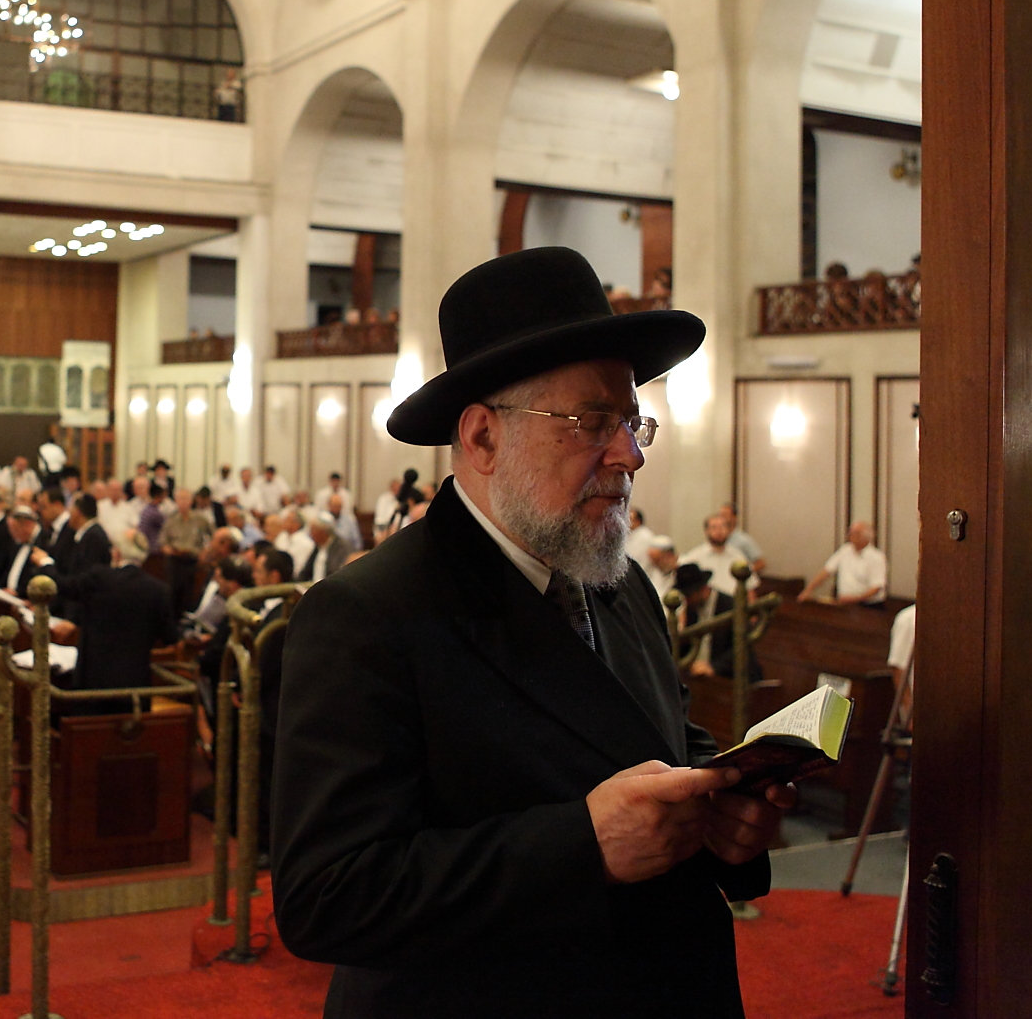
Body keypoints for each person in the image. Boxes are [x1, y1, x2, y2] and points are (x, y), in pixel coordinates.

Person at [273, 247, 790, 1015]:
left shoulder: (622, 583)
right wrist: (582, 847)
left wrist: (723, 810)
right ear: (482, 437)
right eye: (592, 422)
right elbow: (329, 895)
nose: (630, 454)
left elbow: (656, 741)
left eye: (632, 420)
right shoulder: (370, 613)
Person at [64, 528, 179, 711]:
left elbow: (63, 588)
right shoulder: (159, 590)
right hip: (134, 688)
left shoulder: (99, 578)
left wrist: (45, 563)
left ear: (116, 553)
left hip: (93, 685)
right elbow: (170, 637)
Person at [671, 562, 759, 681]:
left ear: (702, 589)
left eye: (689, 594)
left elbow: (742, 647)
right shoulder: (692, 607)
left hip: (730, 677)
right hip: (699, 676)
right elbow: (688, 641)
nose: (687, 599)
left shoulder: (730, 606)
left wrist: (714, 667)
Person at [802, 520, 889, 605]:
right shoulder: (844, 550)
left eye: (855, 533)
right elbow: (826, 571)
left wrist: (855, 599)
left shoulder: (876, 557)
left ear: (866, 537)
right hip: (845, 603)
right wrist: (808, 590)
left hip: (868, 606)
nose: (851, 536)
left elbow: (877, 587)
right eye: (850, 533)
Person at [679, 511, 755, 596]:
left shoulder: (738, 556)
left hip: (736, 604)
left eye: (723, 527)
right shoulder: (694, 557)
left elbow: (750, 588)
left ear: (728, 530)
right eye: (714, 527)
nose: (719, 531)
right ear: (706, 531)